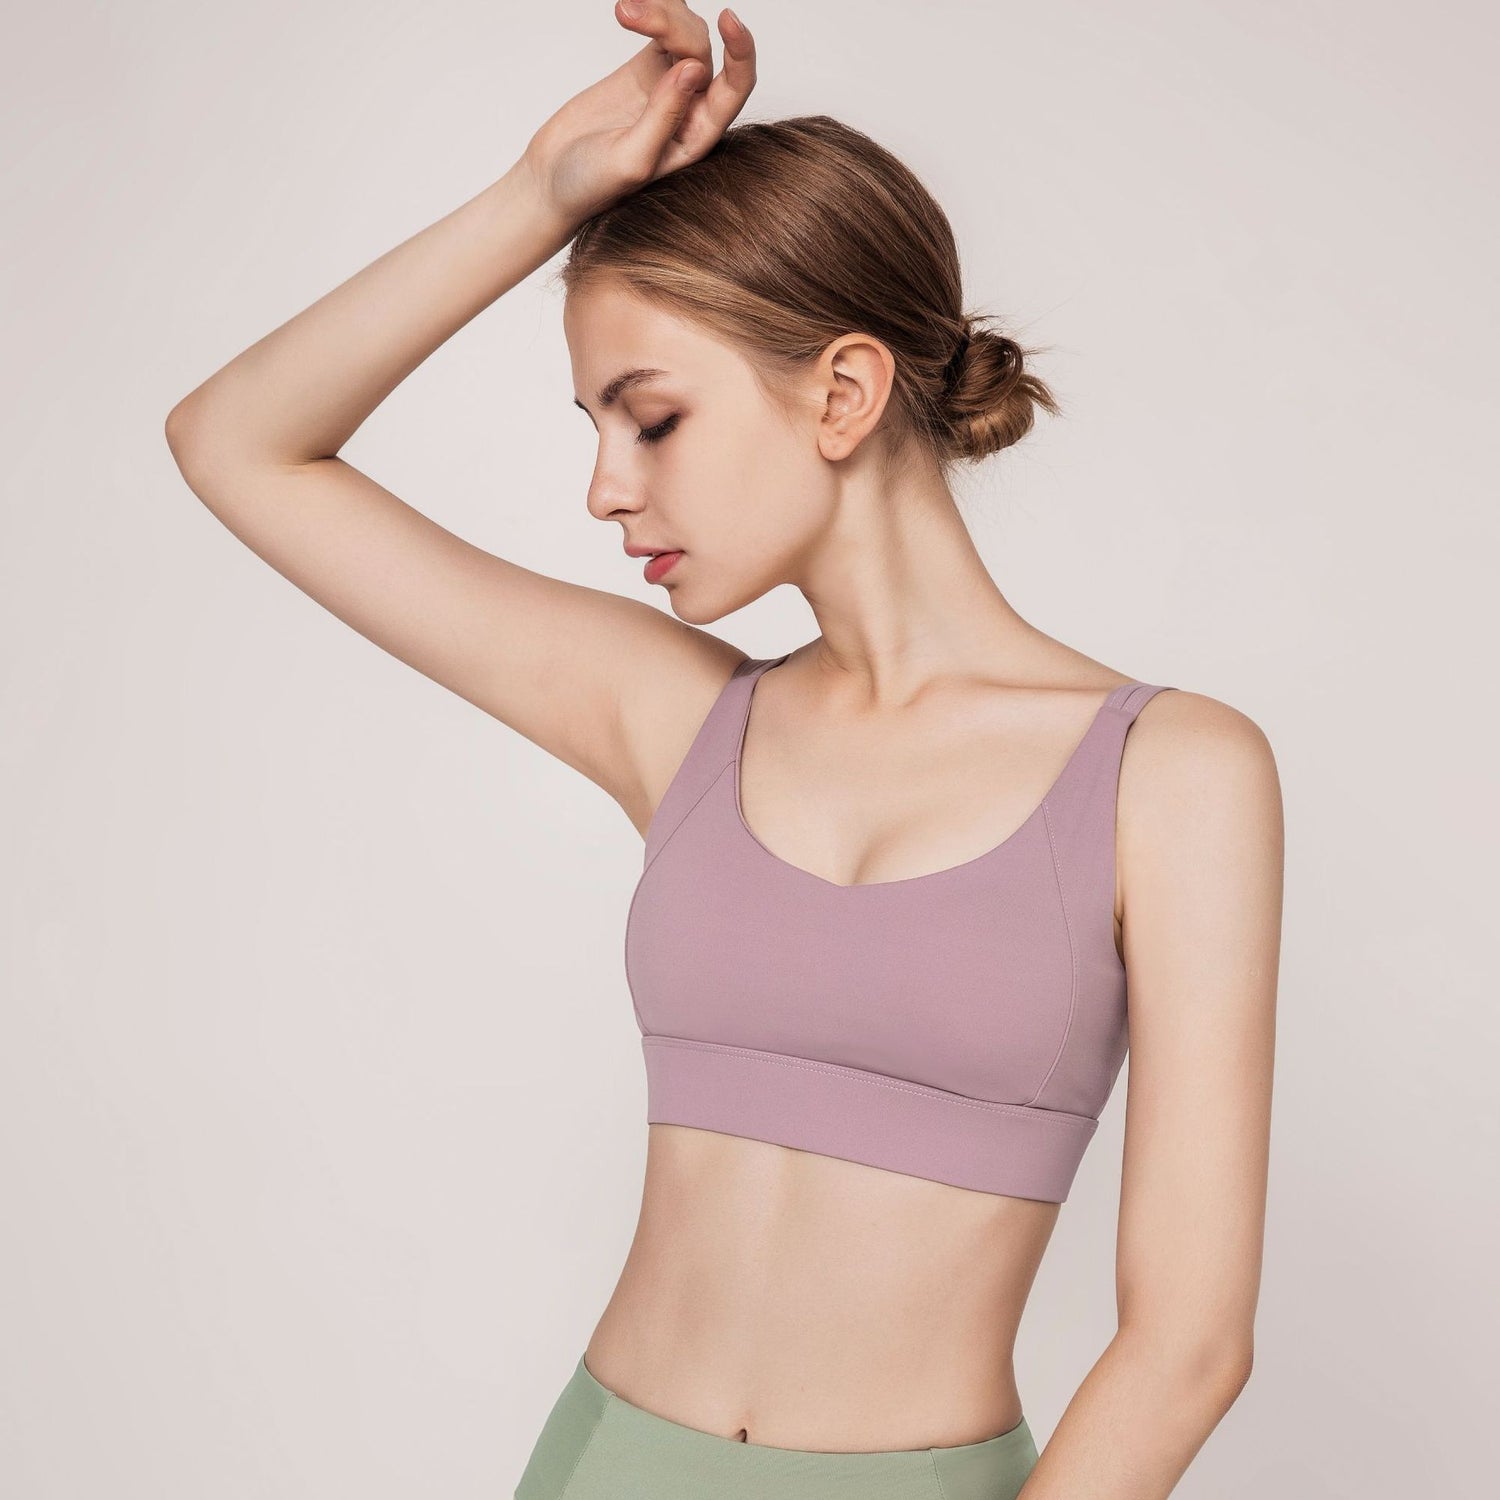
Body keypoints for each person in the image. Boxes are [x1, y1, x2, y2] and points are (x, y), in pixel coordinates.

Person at [164, 4, 1283, 1496]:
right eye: (594, 426)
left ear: (843, 392)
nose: (603, 487)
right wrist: (539, 194)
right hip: (603, 1463)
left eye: (652, 420)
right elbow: (237, 441)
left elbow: (1189, 1345)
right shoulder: (680, 717)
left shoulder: (1173, 775)